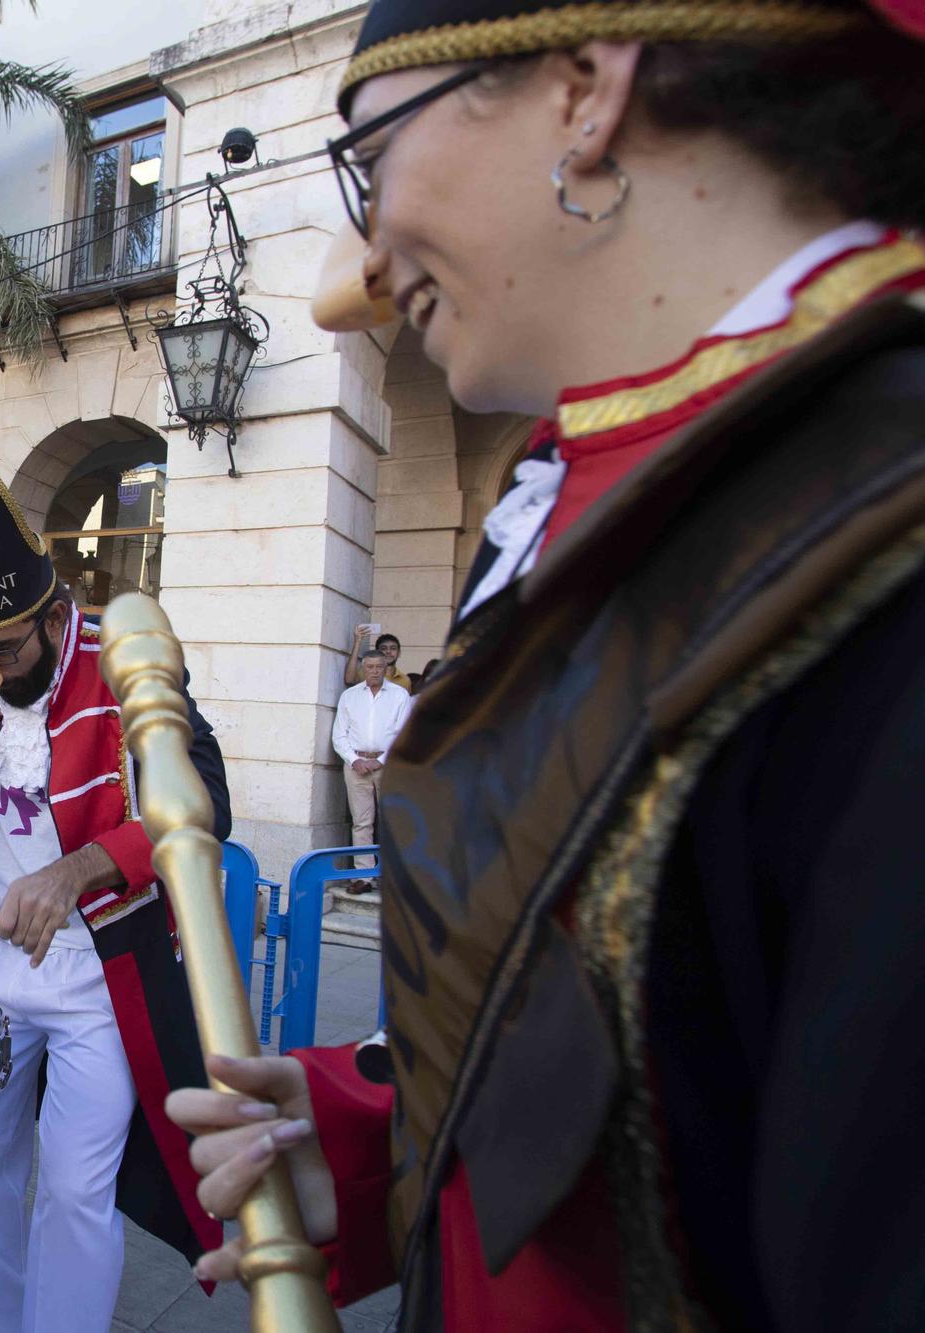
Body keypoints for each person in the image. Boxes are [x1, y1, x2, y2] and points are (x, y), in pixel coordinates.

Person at [170, 5, 925, 1329]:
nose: (344, 276)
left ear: (584, 85)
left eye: (371, 161)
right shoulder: (599, 488)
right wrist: (392, 1136)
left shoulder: (877, 533)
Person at [0, 429, 225, 1333]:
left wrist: (78, 870)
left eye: (5, 650)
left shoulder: (126, 659)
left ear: (54, 615)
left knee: (73, 1186)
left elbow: (205, 797)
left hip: (99, 966)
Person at [330, 649, 412, 887]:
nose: (375, 671)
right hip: (356, 765)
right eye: (370, 667)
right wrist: (354, 760)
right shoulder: (350, 696)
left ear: (386, 668)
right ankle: (363, 876)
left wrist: (381, 760)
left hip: (388, 765)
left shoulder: (399, 695)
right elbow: (339, 734)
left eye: (379, 667)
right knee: (362, 821)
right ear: (363, 668)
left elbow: (404, 733)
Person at [342, 625, 410, 689]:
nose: (388, 651)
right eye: (384, 648)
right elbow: (349, 680)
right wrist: (357, 641)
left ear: (399, 653)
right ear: (377, 652)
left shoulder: (405, 681)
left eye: (393, 648)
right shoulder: (366, 673)